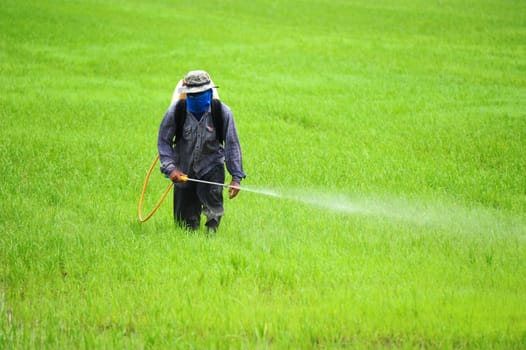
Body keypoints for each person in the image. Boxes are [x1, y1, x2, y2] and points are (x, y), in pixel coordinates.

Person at [157, 70, 246, 233]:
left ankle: (211, 241)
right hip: (183, 171)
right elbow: (163, 142)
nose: (197, 98)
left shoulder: (222, 112)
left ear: (210, 92)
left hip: (212, 169)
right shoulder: (177, 112)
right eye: (193, 95)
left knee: (213, 215)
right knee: (185, 225)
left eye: (201, 94)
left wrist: (236, 177)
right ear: (186, 94)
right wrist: (171, 168)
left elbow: (232, 145)